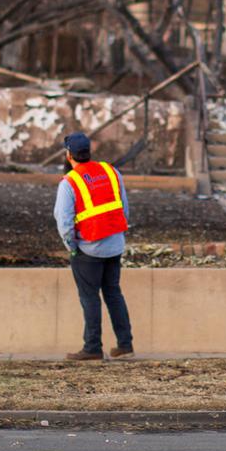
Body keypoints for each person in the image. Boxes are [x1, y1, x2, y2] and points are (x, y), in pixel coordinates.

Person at [54, 131, 133, 361]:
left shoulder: (69, 182)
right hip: (114, 245)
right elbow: (124, 208)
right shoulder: (111, 171)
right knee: (113, 293)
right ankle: (125, 345)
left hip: (88, 249)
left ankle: (92, 348)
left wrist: (72, 247)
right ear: (89, 151)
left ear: (69, 155)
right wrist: (117, 235)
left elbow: (64, 222)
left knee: (89, 297)